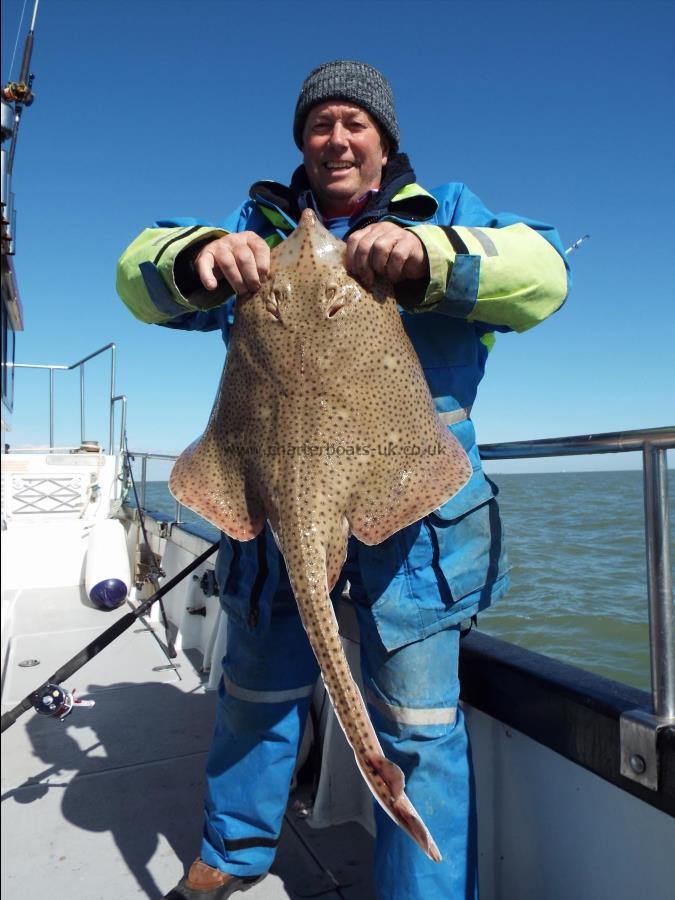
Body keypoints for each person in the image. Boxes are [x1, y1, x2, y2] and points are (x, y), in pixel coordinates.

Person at [117, 60, 570, 900]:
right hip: (270, 484)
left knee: (418, 720)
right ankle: (232, 847)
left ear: (384, 139)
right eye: (318, 124)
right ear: (301, 142)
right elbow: (137, 271)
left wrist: (426, 253)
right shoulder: (258, 225)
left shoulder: (445, 212)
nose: (335, 138)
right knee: (253, 688)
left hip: (411, 500)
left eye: (353, 123)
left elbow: (543, 274)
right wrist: (201, 256)